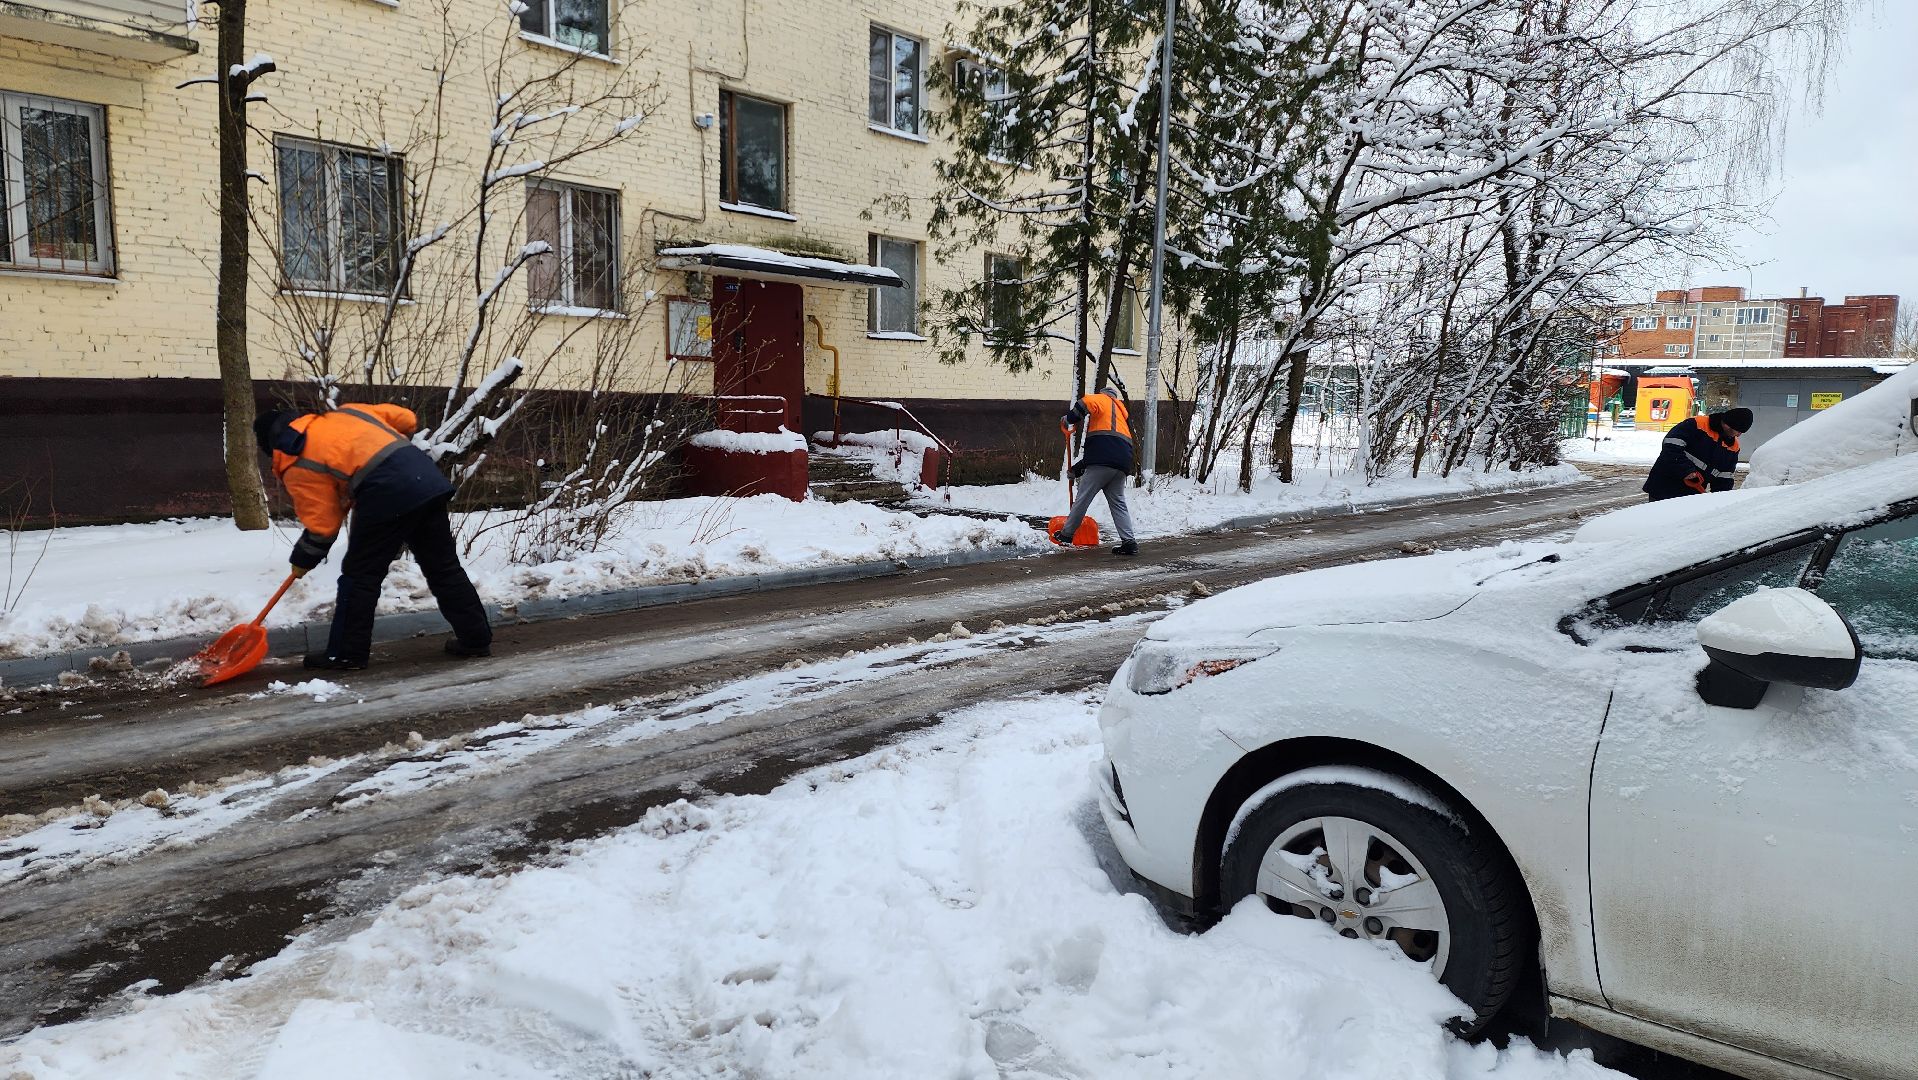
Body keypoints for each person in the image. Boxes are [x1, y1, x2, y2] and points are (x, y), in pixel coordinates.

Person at [254, 404, 493, 670]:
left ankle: (347, 653)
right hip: (425, 478)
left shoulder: (295, 458)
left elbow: (322, 525)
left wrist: (303, 558)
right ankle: (475, 639)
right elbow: (407, 419)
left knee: (360, 576)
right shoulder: (346, 413)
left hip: (385, 491)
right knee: (443, 567)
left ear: (270, 445)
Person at [1053, 381, 1140, 557]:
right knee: (1118, 503)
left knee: (1083, 498)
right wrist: (1077, 469)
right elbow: (1105, 451)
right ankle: (1129, 542)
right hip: (1122, 463)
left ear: (1103, 394)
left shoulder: (1101, 400)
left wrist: (1069, 419)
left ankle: (1066, 535)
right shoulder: (1121, 414)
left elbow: (1084, 403)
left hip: (1102, 462)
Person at [1643, 407, 1752, 502]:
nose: (1737, 434)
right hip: (1664, 486)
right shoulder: (1697, 425)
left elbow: (1724, 476)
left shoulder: (1733, 446)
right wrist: (1686, 470)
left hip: (1692, 495)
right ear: (1727, 423)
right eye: (1735, 430)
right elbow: (1671, 446)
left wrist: (1720, 499)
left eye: (1740, 432)